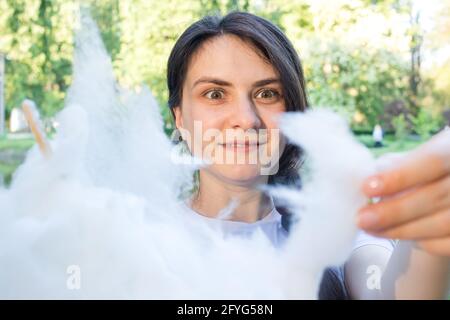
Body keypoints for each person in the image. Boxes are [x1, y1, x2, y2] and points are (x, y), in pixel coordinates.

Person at [166, 12, 450, 299]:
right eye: (215, 94)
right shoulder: (145, 240)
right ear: (179, 117)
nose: (246, 119)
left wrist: (425, 235)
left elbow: (387, 292)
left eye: (267, 94)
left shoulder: (336, 230)